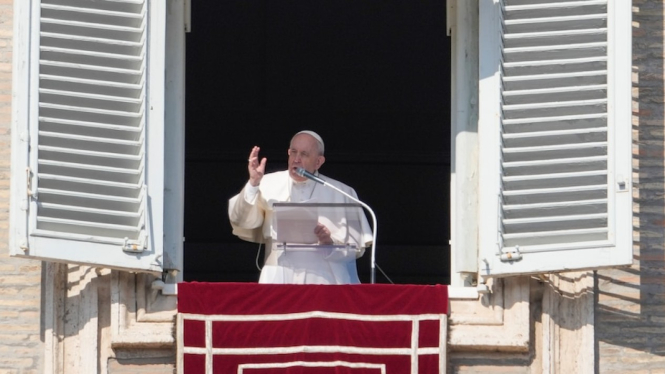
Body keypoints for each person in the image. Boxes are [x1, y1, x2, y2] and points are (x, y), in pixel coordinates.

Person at [228, 130, 372, 284]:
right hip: (278, 274)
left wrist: (329, 243)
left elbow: (355, 250)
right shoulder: (266, 183)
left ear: (318, 161)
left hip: (324, 278)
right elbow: (241, 221)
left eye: (304, 154)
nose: (296, 159)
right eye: (293, 152)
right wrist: (253, 184)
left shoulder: (342, 192)